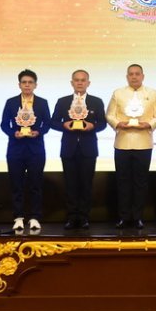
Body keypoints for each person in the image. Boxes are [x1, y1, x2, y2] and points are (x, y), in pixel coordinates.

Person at [106, 64, 156, 229]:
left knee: (140, 182)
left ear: (142, 76)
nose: (134, 77)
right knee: (123, 182)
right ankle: (124, 217)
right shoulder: (118, 93)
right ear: (127, 77)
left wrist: (148, 124)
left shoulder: (152, 93)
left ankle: (138, 217)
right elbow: (109, 115)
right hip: (122, 143)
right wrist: (118, 123)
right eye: (131, 74)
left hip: (144, 143)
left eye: (137, 74)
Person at [50, 69, 107, 230]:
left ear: (88, 83)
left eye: (83, 80)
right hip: (68, 148)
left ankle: (84, 217)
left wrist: (92, 126)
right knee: (70, 184)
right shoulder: (63, 101)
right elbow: (53, 122)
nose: (80, 82)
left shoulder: (96, 101)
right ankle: (71, 217)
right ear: (72, 83)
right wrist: (64, 125)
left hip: (88, 149)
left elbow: (102, 124)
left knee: (86, 184)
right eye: (77, 80)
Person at [0, 69, 51, 232]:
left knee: (35, 184)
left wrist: (39, 132)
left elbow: (48, 124)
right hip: (16, 148)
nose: (27, 85)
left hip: (36, 149)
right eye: (24, 82)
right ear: (19, 85)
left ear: (35, 85)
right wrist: (13, 133)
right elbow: (3, 124)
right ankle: (18, 217)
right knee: (17, 184)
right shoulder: (11, 102)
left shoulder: (42, 102)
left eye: (30, 82)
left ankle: (35, 217)